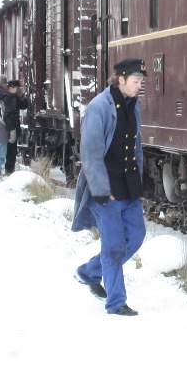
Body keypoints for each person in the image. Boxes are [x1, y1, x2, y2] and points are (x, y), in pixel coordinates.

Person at [72, 59, 147, 316]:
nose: (139, 86)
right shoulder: (99, 107)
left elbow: (136, 146)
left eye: (141, 82)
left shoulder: (132, 106)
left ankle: (89, 272)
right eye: (136, 81)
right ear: (121, 79)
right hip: (106, 189)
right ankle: (116, 303)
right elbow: (90, 153)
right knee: (113, 245)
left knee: (136, 236)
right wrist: (102, 190)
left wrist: (140, 178)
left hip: (129, 186)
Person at [3, 80, 24, 175]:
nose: (18, 89)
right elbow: (8, 115)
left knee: (11, 149)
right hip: (11, 127)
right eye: (17, 88)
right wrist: (12, 130)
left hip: (12, 126)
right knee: (11, 150)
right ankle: (9, 169)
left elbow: (24, 105)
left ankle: (9, 168)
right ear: (11, 88)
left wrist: (21, 96)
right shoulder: (10, 98)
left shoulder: (14, 97)